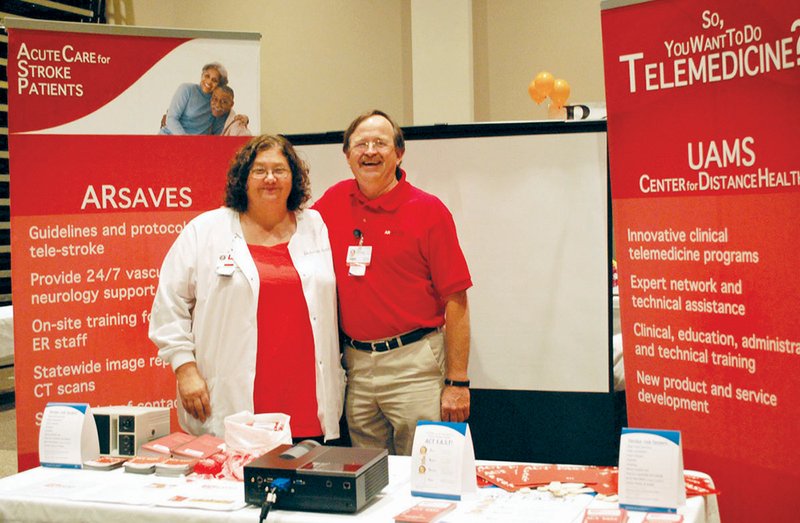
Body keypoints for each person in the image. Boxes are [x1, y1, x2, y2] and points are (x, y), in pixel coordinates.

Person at [149, 135, 344, 441]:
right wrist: (184, 368)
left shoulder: (315, 226)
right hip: (233, 398)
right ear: (243, 178)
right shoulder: (206, 230)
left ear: (294, 178)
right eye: (259, 170)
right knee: (234, 483)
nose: (270, 179)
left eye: (280, 170)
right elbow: (169, 304)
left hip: (307, 401)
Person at [313, 110, 472, 455]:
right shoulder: (330, 204)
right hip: (355, 367)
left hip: (414, 367)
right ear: (347, 155)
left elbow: (456, 300)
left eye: (380, 143)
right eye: (360, 144)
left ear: (399, 153)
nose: (370, 151)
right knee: (369, 476)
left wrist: (458, 381)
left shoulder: (428, 211)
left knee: (424, 473)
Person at [159, 62, 229, 135]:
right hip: (170, 136)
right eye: (207, 76)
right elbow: (171, 118)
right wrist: (186, 141)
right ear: (202, 75)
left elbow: (216, 133)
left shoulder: (218, 105)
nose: (209, 81)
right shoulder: (187, 89)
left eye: (214, 80)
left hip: (194, 144)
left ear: (220, 85)